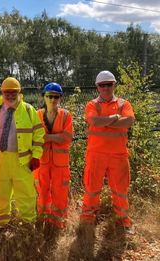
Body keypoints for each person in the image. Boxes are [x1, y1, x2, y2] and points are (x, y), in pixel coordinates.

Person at [0, 77, 45, 230]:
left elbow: (39, 134)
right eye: (6, 92)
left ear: (19, 92)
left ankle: (28, 224)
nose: (10, 95)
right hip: (0, 159)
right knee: (0, 193)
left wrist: (36, 155)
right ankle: (0, 223)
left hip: (22, 160)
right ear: (2, 93)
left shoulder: (29, 111)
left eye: (13, 92)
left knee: (25, 194)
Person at [81, 70, 135, 233]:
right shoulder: (92, 105)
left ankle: (122, 222)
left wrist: (104, 122)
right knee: (92, 188)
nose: (105, 88)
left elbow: (130, 121)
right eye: (102, 85)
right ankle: (88, 221)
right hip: (96, 155)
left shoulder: (124, 104)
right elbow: (94, 121)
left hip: (118, 155)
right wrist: (116, 118)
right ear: (97, 86)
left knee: (121, 190)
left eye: (109, 84)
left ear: (114, 85)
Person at [33, 83, 73, 229]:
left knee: (60, 192)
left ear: (60, 98)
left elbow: (67, 136)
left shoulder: (66, 115)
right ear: (44, 96)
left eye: (56, 96)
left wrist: (45, 137)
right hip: (42, 161)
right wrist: (54, 137)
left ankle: (58, 223)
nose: (52, 99)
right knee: (42, 190)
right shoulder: (36, 115)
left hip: (60, 163)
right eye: (49, 96)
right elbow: (35, 136)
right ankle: (43, 219)